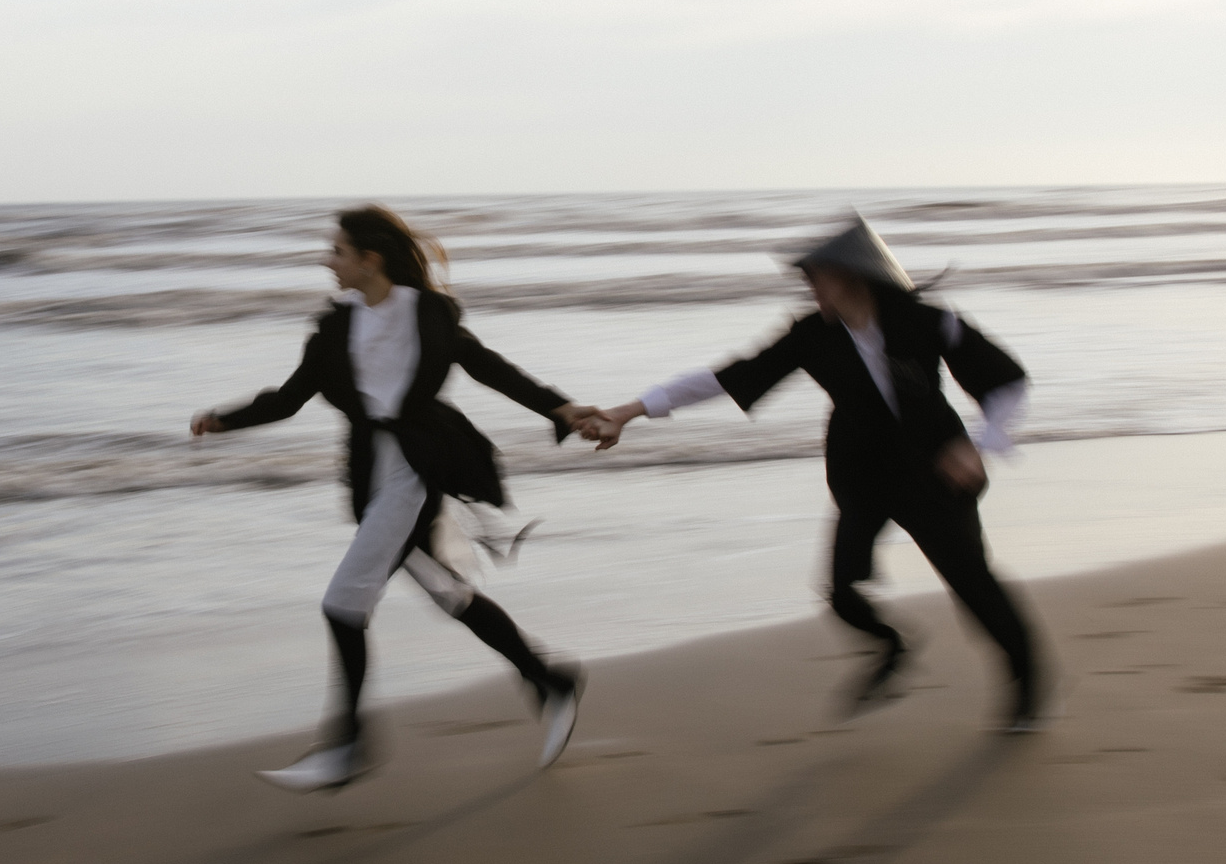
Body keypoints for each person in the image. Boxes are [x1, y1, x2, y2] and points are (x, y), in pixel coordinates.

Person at [577, 216, 1047, 733]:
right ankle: (892, 645)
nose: (808, 287)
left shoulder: (926, 321)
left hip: (934, 470)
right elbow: (726, 377)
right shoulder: (812, 335)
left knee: (974, 584)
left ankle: (1027, 692)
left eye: (816, 276)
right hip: (862, 472)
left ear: (852, 277)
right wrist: (629, 411)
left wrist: (982, 445)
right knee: (842, 592)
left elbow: (1007, 381)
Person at [192, 206, 593, 792]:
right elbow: (289, 398)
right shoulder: (334, 328)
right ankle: (549, 679)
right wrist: (223, 421)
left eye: (337, 251)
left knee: (342, 603)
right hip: (369, 476)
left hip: (416, 470)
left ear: (368, 259)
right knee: (449, 593)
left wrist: (559, 406)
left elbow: (487, 367)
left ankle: (350, 744)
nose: (327, 261)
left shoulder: (427, 313)